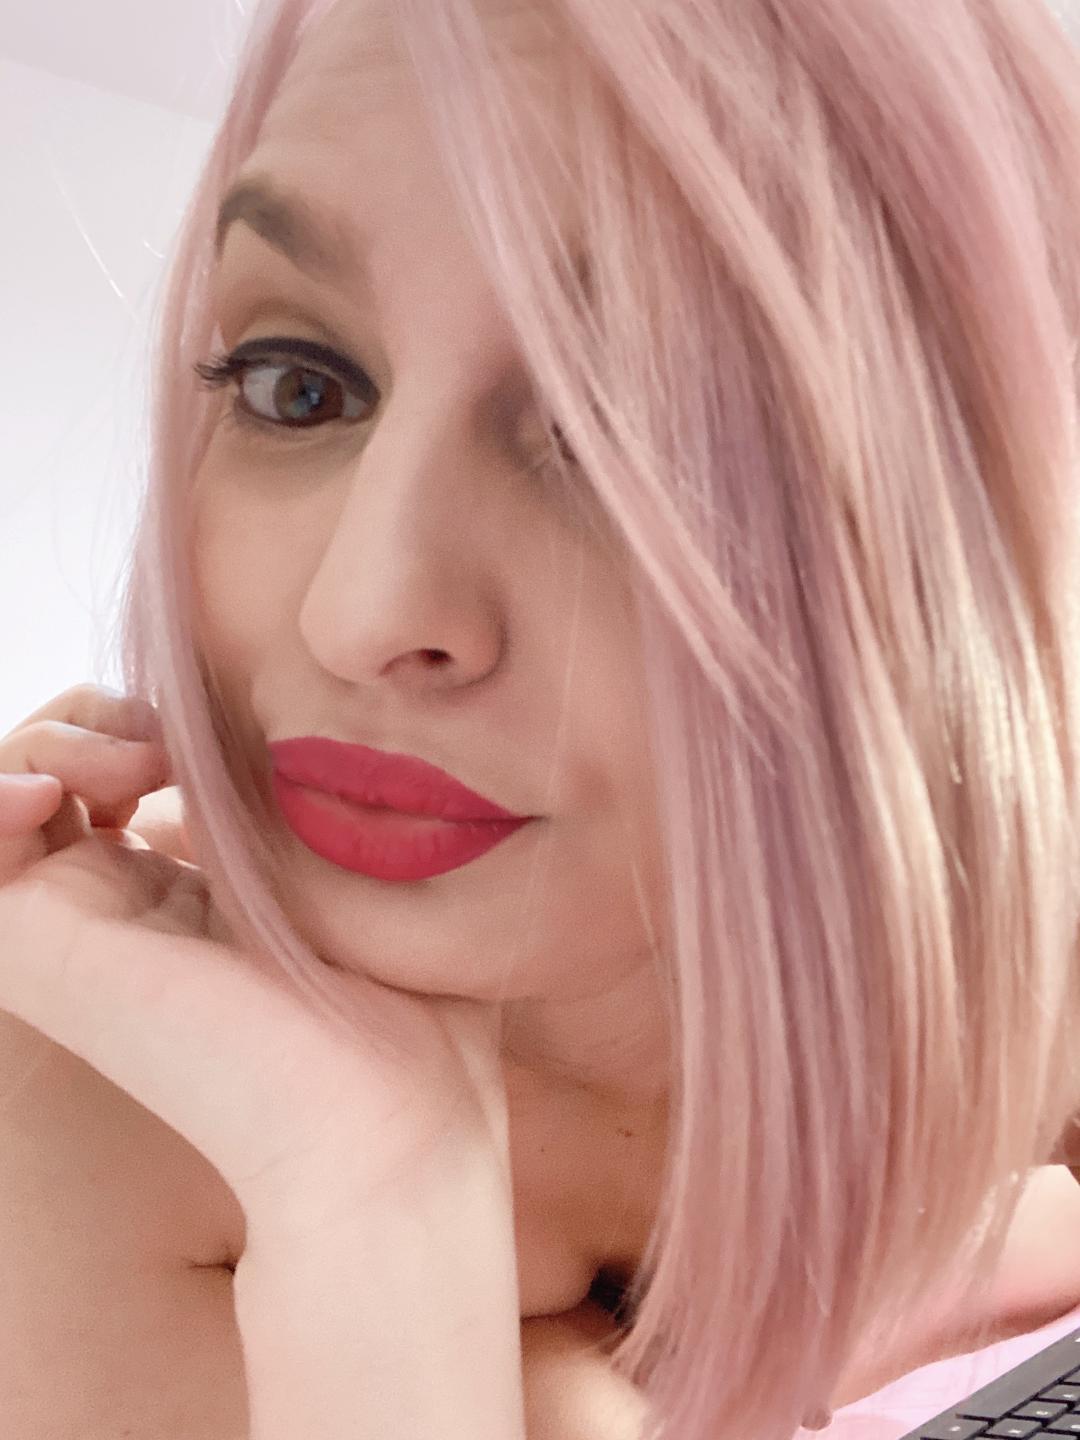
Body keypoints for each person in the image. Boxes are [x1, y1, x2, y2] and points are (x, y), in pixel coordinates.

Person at [0, 0, 1079, 1436]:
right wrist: (371, 1189)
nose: (362, 611)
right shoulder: (82, 1105)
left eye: (631, 433)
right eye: (297, 385)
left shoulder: (974, 959)